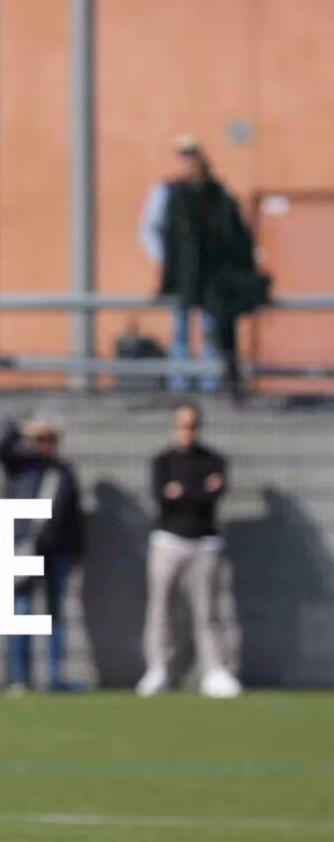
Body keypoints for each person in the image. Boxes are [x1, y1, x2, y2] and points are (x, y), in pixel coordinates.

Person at [139, 136, 264, 397]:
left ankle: (210, 385)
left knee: (210, 330)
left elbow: (232, 234)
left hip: (211, 279)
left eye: (193, 156)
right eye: (185, 156)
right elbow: (151, 230)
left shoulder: (218, 193)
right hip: (182, 277)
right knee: (180, 332)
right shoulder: (168, 192)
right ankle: (181, 386)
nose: (190, 163)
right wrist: (168, 261)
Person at [139, 404, 240, 698]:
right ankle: (158, 668)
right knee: (160, 607)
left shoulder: (213, 460)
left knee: (207, 609)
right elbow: (162, 497)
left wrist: (183, 492)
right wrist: (198, 491)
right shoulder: (163, 461)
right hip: (168, 540)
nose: (187, 431)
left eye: (192, 425)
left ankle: (214, 670)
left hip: (204, 542)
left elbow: (213, 495)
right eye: (182, 425)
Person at [0, 416, 86, 692]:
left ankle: (55, 677)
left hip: (57, 551)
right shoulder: (21, 466)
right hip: (24, 549)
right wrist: (20, 427)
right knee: (21, 612)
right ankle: (20, 677)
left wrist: (77, 551)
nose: (44, 445)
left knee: (54, 615)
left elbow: (74, 516)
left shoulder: (63, 472)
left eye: (49, 439)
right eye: (39, 439)